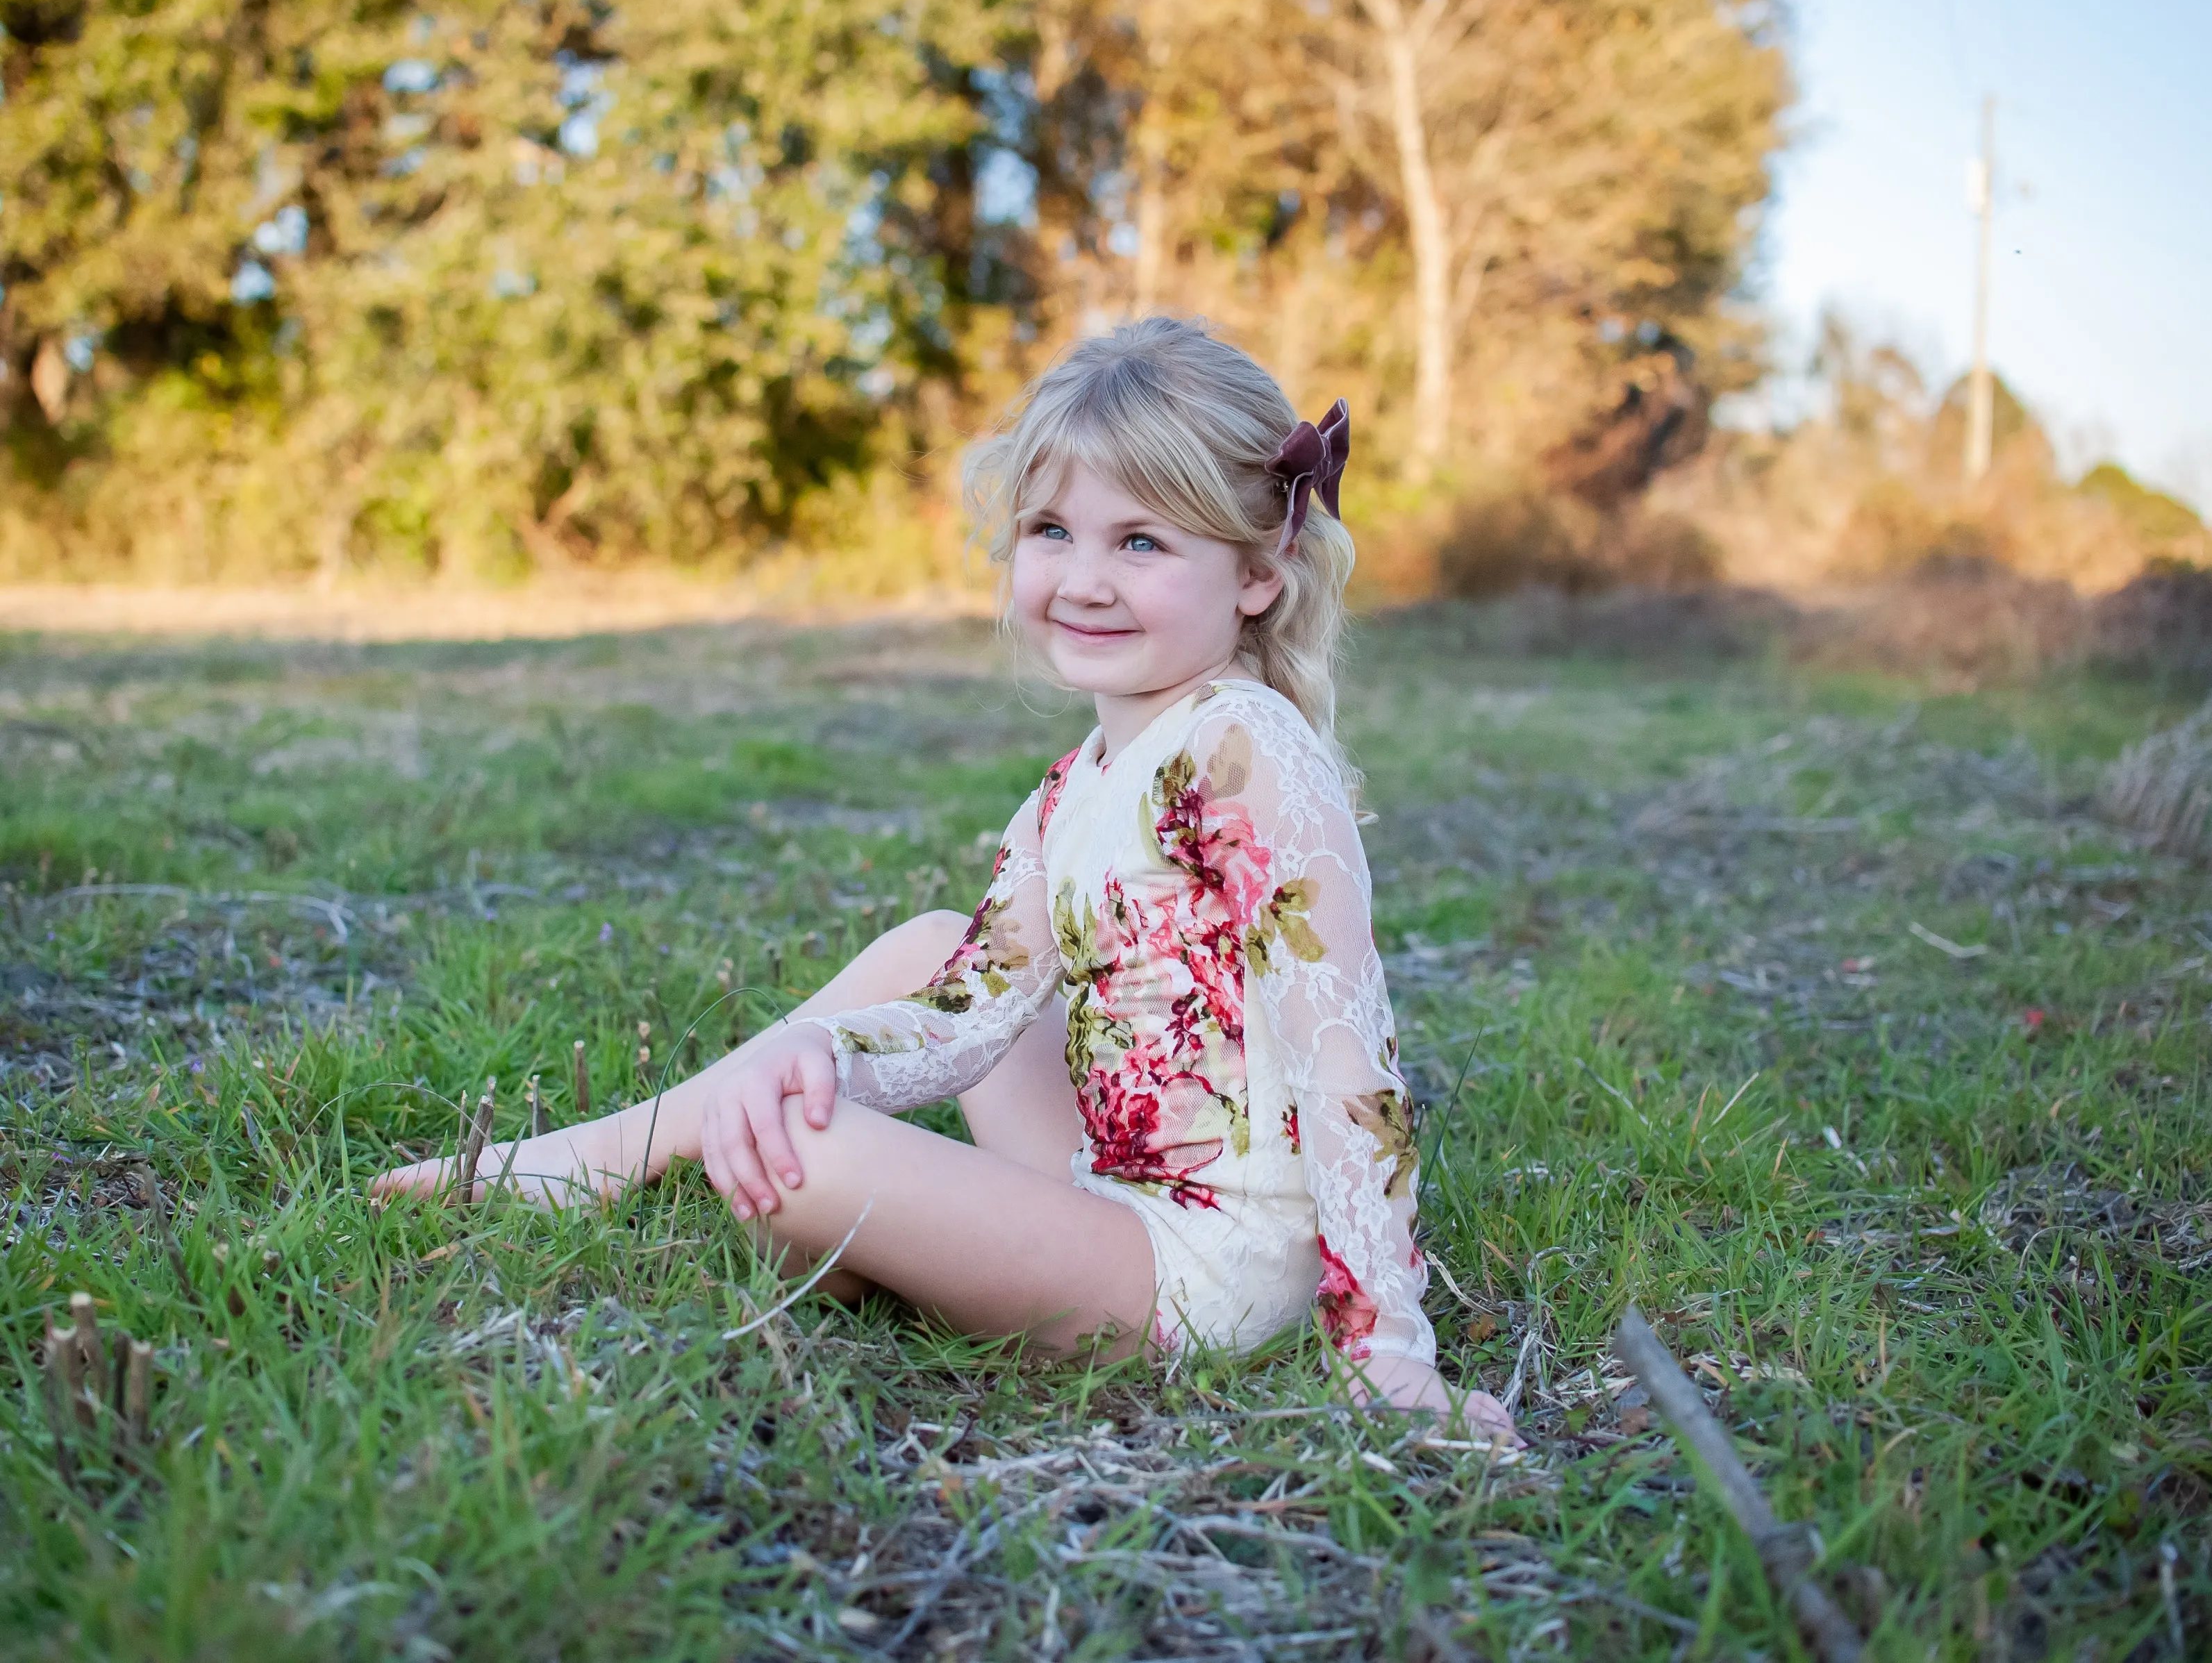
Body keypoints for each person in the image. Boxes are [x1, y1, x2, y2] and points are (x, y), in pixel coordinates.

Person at [372, 318, 1515, 1438]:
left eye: (1142, 542)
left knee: (801, 1149)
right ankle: (620, 1156)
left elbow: (1347, 1059)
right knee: (926, 950)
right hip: (1107, 1185)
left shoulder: (1247, 754)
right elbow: (968, 1010)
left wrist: (1387, 1349)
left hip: (1205, 1274)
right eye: (1052, 528)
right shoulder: (1077, 786)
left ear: (1259, 574)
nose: (1084, 577)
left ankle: (751, 1194)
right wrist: (814, 1050)